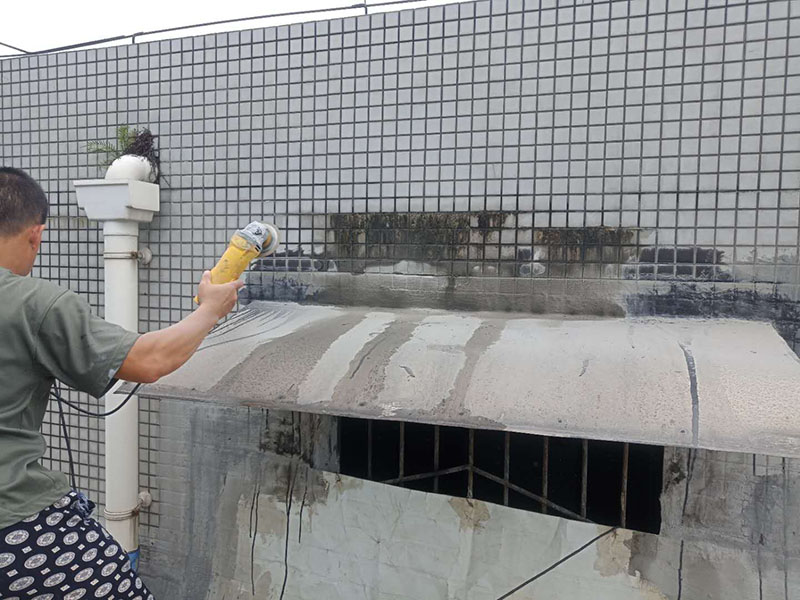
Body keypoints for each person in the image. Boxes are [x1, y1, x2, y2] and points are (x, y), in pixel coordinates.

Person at [0, 167, 243, 599]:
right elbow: (150, 360)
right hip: (14, 522)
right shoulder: (30, 302)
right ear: (36, 235)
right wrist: (210, 310)